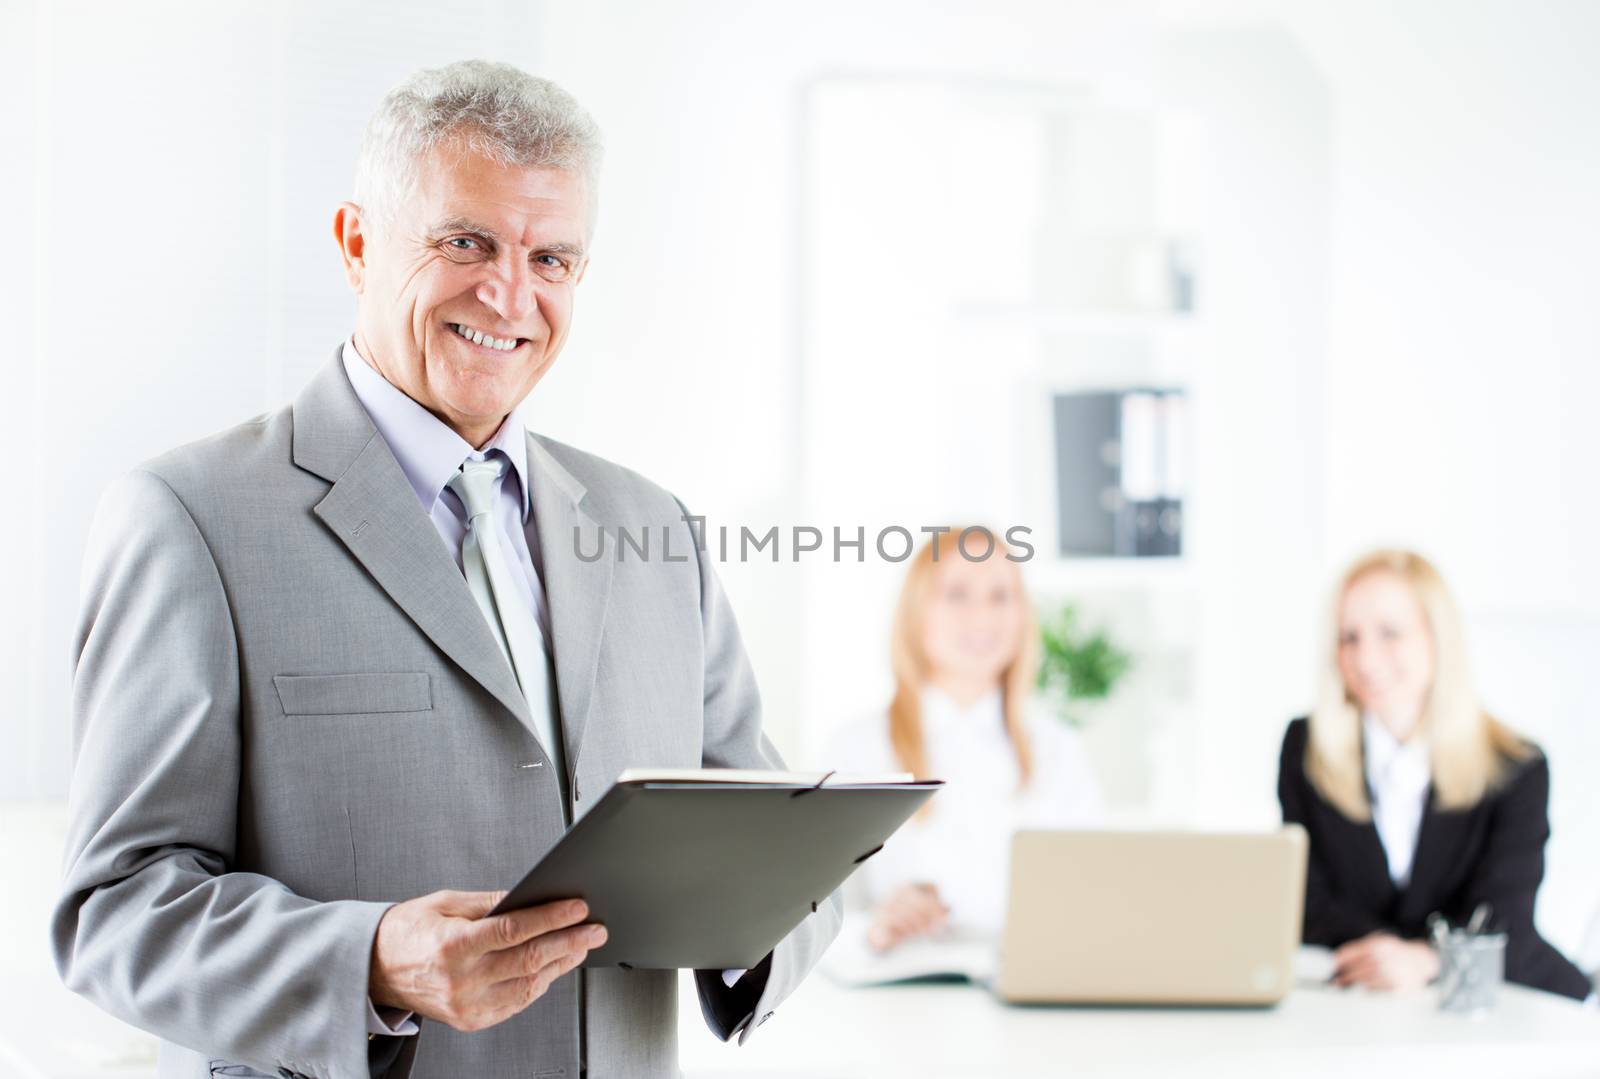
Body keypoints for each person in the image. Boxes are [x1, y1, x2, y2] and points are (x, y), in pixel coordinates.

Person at [50, 60, 840, 1079]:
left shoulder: (654, 530)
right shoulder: (191, 518)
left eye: (552, 258)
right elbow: (114, 908)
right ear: (356, 241)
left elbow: (774, 840)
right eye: (465, 241)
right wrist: (372, 960)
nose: (509, 293)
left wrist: (776, 901)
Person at [1278, 548, 1592, 1001]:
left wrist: (1424, 960)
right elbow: (1307, 901)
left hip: (1511, 993)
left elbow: (1505, 918)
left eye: (1390, 634)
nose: (1365, 659)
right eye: (1349, 637)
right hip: (1369, 994)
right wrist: (1387, 959)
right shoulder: (1308, 749)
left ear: (1436, 639)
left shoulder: (1516, 767)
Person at [828, 527, 1104, 952]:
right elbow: (816, 923)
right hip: (893, 1004)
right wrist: (877, 926)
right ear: (916, 611)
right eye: (956, 593)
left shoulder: (1058, 751)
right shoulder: (857, 748)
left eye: (1000, 596)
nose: (981, 616)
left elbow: (1093, 904)